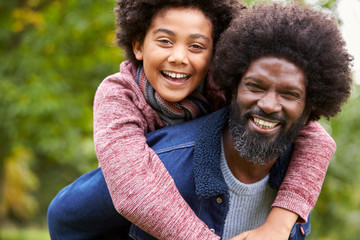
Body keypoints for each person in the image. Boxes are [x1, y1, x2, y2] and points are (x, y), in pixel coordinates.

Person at [47, 1, 349, 239]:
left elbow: (316, 139)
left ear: (215, 53)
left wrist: (280, 222)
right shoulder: (119, 94)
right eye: (165, 41)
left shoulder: (220, 86)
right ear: (138, 45)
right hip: (125, 184)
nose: (179, 57)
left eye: (196, 46)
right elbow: (132, 189)